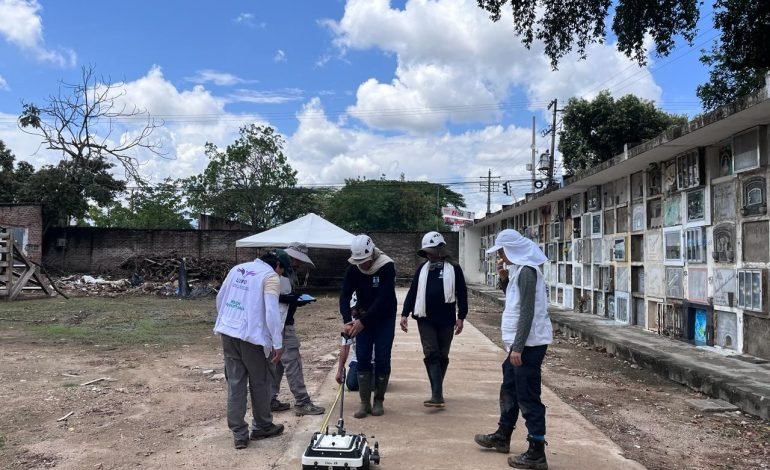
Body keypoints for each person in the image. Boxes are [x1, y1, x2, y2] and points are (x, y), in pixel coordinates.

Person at [474, 229, 552, 470]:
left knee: (528, 395)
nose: (499, 255)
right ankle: (503, 435)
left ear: (512, 249)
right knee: (509, 386)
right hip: (520, 345)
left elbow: (527, 312)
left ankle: (536, 452)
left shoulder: (528, 271)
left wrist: (518, 347)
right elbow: (515, 301)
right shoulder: (520, 270)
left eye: (501, 251)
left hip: (529, 345)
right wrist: (504, 279)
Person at [213, 251, 289, 449]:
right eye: (283, 271)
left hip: (228, 332)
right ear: (278, 265)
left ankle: (239, 434)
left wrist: (227, 322)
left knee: (236, 383)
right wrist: (277, 343)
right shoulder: (270, 277)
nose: (281, 275)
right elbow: (272, 311)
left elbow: (220, 298)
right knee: (260, 381)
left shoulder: (238, 269)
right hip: (251, 337)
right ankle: (263, 425)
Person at [400, 231, 468, 408]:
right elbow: (413, 292)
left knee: (442, 356)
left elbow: (462, 293)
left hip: (446, 319)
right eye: (426, 252)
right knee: (431, 353)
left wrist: (461, 317)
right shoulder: (422, 270)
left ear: (440, 249)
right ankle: (437, 394)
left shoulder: (454, 268)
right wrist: (404, 314)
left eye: (431, 250)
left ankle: (436, 390)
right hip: (425, 318)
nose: (428, 254)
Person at [339, 234, 397, 418]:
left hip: (384, 318)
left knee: (382, 356)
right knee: (362, 356)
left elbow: (384, 298)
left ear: (372, 254)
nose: (362, 265)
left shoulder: (387, 266)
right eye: (359, 262)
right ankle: (364, 403)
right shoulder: (354, 269)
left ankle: (378, 400)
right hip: (362, 317)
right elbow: (344, 295)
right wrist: (348, 319)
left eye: (364, 261)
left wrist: (363, 322)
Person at [269, 245, 325, 416]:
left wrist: (294, 299)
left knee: (276, 363)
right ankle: (302, 401)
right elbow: (275, 297)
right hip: (282, 325)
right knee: (292, 362)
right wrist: (291, 299)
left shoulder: (282, 273)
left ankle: (269, 398)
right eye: (297, 260)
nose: (298, 264)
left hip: (278, 323)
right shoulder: (278, 274)